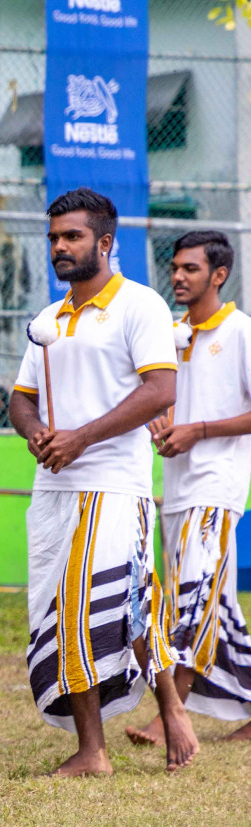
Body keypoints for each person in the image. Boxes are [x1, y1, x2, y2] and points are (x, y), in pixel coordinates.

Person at [7, 188, 192, 775]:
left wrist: (81, 437)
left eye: (73, 237)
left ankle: (107, 744)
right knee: (69, 609)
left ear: (105, 243)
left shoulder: (142, 306)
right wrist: (36, 432)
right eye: (55, 237)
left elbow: (161, 391)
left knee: (100, 603)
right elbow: (20, 399)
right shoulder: (47, 320)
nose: (60, 247)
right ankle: (142, 722)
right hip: (54, 490)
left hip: (115, 486)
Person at [126, 231, 251, 746]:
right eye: (175, 267)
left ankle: (168, 714)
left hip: (217, 487)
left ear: (218, 275)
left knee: (195, 600)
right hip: (176, 489)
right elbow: (158, 398)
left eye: (191, 269)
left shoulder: (240, 331)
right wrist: (160, 424)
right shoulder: (172, 332)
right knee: (212, 604)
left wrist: (197, 431)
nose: (178, 276)